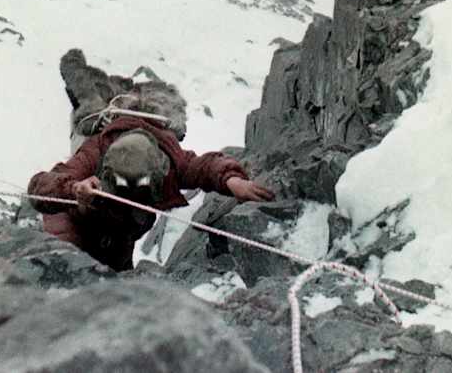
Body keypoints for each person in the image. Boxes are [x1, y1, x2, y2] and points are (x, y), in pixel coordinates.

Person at [28, 114, 273, 270]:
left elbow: (205, 167)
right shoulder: (94, 152)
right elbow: (40, 186)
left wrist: (232, 181)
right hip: (72, 233)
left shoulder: (170, 162)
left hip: (118, 245)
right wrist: (72, 189)